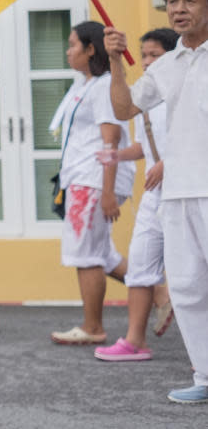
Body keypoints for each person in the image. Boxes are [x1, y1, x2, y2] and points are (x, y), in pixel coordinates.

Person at [105, 0, 208, 404]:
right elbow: (126, 107)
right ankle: (205, 376)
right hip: (178, 191)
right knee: (185, 287)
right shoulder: (167, 64)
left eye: (189, 0)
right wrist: (114, 60)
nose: (179, 9)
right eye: (172, 1)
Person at [93, 28, 178, 362]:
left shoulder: (183, 89)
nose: (146, 61)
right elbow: (146, 144)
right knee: (140, 262)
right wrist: (119, 156)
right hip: (155, 192)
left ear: (174, 56)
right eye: (143, 55)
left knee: (191, 268)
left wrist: (168, 164)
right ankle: (135, 340)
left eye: (154, 55)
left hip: (185, 186)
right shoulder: (147, 95)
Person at [49, 21, 133, 345]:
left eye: (73, 45)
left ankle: (93, 327)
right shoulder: (82, 85)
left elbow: (110, 140)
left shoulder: (104, 86)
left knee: (86, 255)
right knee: (103, 254)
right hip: (81, 178)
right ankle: (158, 294)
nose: (68, 51)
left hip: (94, 180)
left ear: (91, 49)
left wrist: (109, 191)